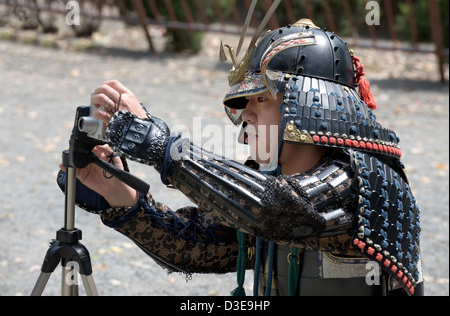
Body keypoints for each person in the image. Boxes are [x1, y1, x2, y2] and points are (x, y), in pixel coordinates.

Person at [58, 18, 424, 296]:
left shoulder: (360, 180)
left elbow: (277, 210)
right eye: (245, 102)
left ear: (312, 107)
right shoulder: (273, 184)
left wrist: (162, 144)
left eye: (262, 99)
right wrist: (122, 196)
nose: (247, 114)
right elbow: (194, 246)